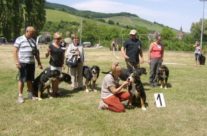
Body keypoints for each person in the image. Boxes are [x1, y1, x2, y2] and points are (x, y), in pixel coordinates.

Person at [14, 26, 43, 103]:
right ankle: (20, 96)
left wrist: (39, 62)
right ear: (27, 31)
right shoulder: (19, 39)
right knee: (22, 79)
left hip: (31, 63)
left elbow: (36, 53)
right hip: (23, 63)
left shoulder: (33, 41)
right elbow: (15, 51)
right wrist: (17, 62)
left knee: (30, 79)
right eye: (32, 33)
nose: (33, 34)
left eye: (34, 33)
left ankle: (30, 95)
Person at [45, 32, 65, 96]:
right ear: (54, 38)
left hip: (59, 65)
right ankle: (53, 92)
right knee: (54, 79)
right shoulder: (51, 45)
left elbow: (62, 55)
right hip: (53, 65)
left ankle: (56, 91)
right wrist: (47, 52)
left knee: (58, 79)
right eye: (57, 38)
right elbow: (46, 56)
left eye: (59, 38)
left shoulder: (61, 46)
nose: (58, 40)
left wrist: (63, 63)